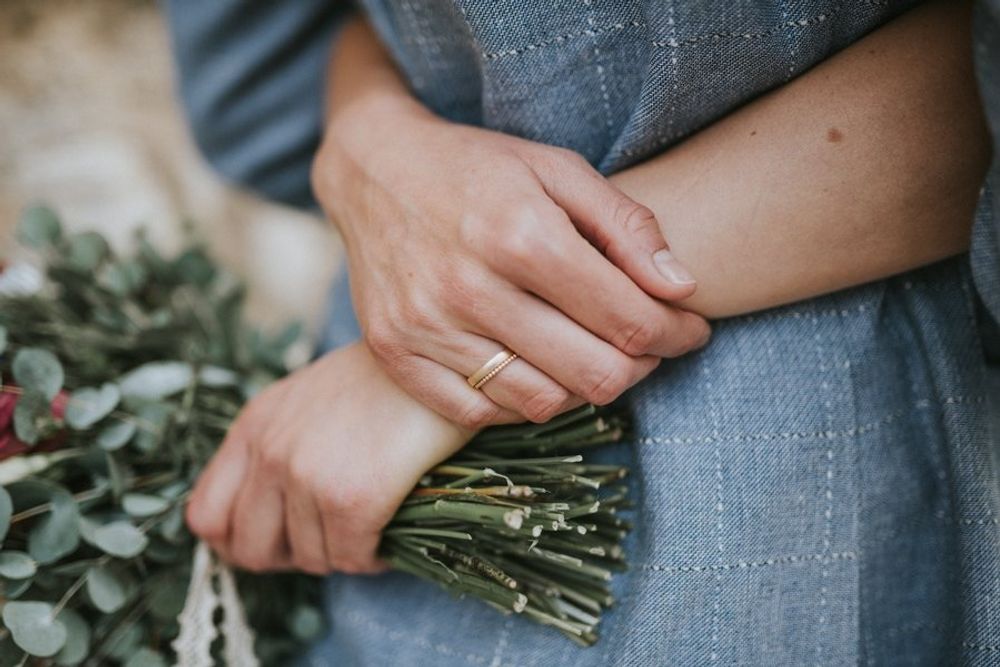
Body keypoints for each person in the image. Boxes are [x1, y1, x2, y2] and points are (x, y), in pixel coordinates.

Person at [164, 0, 1000, 663]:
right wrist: (368, 141)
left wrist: (476, 326)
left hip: (829, 515)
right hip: (400, 529)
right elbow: (287, 45)